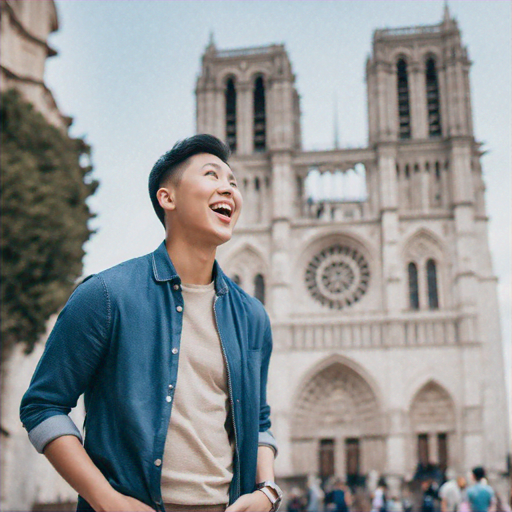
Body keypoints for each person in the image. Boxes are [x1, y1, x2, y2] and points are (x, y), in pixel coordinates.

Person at [20, 134, 282, 512]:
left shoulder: (253, 316)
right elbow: (42, 407)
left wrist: (267, 492)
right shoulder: (105, 295)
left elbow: (257, 420)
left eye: (234, 182)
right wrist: (108, 502)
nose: (228, 187)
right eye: (212, 175)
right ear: (168, 198)